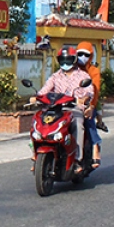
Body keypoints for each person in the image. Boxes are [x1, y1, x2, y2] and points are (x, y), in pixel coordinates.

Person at [30, 46, 95, 173]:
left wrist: (84, 99)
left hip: (74, 108)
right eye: (62, 61)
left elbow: (89, 92)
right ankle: (35, 156)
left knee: (78, 124)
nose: (65, 64)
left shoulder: (82, 76)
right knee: (37, 123)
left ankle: (77, 160)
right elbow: (45, 90)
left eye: (68, 60)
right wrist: (36, 97)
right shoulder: (55, 76)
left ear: (74, 60)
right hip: (55, 109)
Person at [75, 41, 104, 170]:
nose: (82, 57)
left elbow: (95, 90)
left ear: (91, 56)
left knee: (88, 120)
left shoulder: (93, 71)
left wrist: (91, 105)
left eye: (85, 54)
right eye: (79, 53)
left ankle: (95, 145)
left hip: (88, 101)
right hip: (71, 101)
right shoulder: (71, 67)